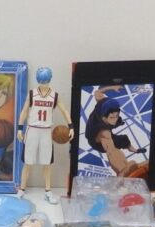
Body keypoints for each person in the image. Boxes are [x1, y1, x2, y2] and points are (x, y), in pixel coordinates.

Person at [17, 67, 73, 204]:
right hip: (32, 130)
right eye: (42, 80)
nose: (43, 82)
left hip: (46, 131)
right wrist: (19, 128)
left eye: (45, 80)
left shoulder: (54, 96)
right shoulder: (32, 94)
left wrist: (71, 126)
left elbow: (64, 110)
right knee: (28, 162)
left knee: (47, 163)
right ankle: (22, 189)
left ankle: (48, 191)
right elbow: (24, 111)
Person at [84, 86, 147, 176]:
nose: (114, 119)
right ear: (104, 117)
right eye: (111, 117)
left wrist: (112, 87)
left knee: (123, 139)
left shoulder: (102, 101)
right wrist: (122, 171)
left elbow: (98, 92)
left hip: (107, 129)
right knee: (111, 148)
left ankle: (134, 151)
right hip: (95, 140)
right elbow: (111, 151)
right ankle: (121, 169)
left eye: (116, 116)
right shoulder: (103, 131)